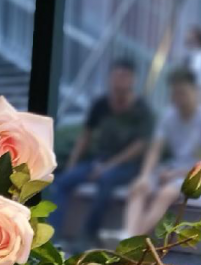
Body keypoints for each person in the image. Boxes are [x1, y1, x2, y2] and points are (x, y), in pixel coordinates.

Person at [48, 58, 154, 248]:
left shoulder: (142, 109)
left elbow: (140, 146)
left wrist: (108, 166)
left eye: (124, 76)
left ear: (133, 80)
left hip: (128, 166)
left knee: (106, 180)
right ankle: (52, 236)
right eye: (116, 76)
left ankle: (87, 236)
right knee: (62, 182)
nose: (119, 80)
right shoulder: (101, 104)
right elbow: (85, 136)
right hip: (100, 161)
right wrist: (72, 163)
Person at [124, 68, 201, 236]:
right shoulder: (168, 116)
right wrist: (145, 176)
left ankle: (131, 241)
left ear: (196, 91)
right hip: (175, 169)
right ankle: (128, 235)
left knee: (166, 193)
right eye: (175, 93)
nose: (178, 98)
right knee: (139, 187)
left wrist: (175, 174)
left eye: (182, 93)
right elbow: (154, 150)